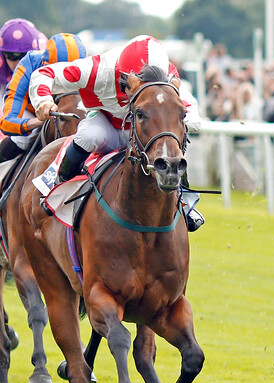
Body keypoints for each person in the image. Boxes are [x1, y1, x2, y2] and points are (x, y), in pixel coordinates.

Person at [29, 35, 206, 231]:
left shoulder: (168, 77)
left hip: (146, 133)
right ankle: (58, 186)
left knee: (173, 140)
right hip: (108, 123)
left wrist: (179, 120)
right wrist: (43, 100)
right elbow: (45, 74)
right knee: (89, 136)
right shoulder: (96, 69)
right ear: (122, 73)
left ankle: (185, 200)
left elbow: (189, 110)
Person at [0, 33, 87, 163]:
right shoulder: (28, 65)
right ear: (44, 64)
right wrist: (38, 121)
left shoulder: (90, 68)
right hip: (31, 110)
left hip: (68, 111)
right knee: (21, 140)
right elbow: (7, 123)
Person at [0, 18, 45, 87]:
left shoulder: (43, 59)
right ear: (3, 53)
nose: (19, 62)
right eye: (12, 56)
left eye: (25, 56)